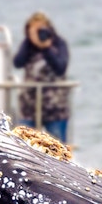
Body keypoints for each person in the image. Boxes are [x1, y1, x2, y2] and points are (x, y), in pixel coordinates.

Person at [13, 11, 70, 142]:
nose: (39, 33)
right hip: (29, 106)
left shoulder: (58, 44)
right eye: (35, 30)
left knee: (57, 148)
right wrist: (29, 41)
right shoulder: (28, 46)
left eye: (41, 29)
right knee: (24, 146)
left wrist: (46, 48)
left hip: (55, 107)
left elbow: (60, 67)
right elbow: (18, 62)